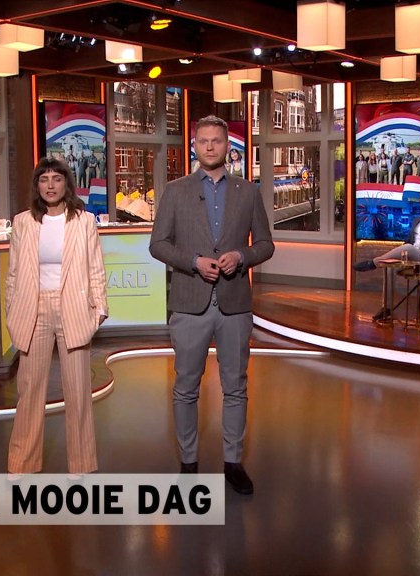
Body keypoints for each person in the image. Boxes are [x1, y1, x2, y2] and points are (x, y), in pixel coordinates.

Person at [149, 115, 274, 495]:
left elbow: (265, 245)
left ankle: (233, 462)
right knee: (186, 387)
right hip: (189, 304)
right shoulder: (175, 191)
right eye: (202, 141)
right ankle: (188, 462)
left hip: (234, 304)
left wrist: (242, 256)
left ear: (227, 147)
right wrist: (193, 262)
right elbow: (158, 244)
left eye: (216, 141)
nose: (209, 146)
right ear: (194, 146)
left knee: (235, 387)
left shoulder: (247, 192)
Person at [5, 157, 108, 475]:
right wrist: (12, 309)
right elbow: (14, 273)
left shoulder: (84, 221)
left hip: (73, 308)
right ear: (37, 185)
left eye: (57, 179)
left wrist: (99, 310)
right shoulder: (23, 222)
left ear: (67, 184)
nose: (50, 185)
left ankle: (81, 464)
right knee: (30, 390)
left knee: (78, 391)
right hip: (33, 309)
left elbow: (95, 268)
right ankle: (22, 464)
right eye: (44, 179)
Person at [353, 188, 420, 321]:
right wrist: (404, 252)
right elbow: (408, 241)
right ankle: (387, 308)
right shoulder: (417, 220)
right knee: (389, 268)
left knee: (408, 248)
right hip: (410, 255)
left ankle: (373, 263)